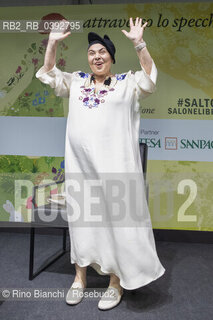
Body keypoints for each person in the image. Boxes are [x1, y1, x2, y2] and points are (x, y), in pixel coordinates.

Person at [36, 17, 166, 311]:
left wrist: (139, 43)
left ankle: (115, 282)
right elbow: (48, 72)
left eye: (102, 52)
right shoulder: (77, 81)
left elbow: (150, 77)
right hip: (81, 170)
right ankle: (79, 279)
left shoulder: (127, 83)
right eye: (92, 52)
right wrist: (53, 42)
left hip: (116, 171)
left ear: (111, 58)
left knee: (117, 225)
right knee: (82, 224)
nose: (96, 56)